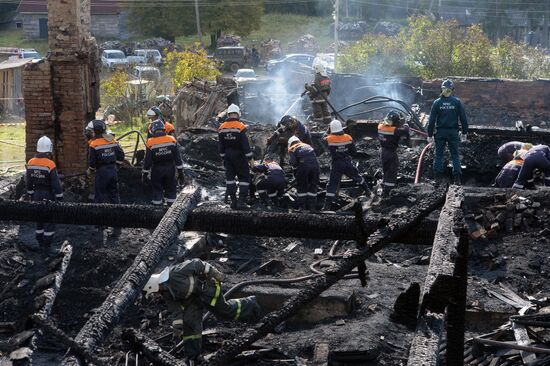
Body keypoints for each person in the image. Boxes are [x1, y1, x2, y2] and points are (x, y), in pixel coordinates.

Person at [143, 259, 261, 366]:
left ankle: (251, 303)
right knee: (189, 322)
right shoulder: (166, 293)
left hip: (207, 287)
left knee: (225, 312)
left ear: (155, 285)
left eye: (155, 291)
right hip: (193, 298)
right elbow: (176, 310)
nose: (156, 294)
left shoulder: (174, 273)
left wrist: (215, 273)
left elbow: (197, 264)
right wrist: (178, 328)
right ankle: (192, 357)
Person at [427, 79, 469, 185]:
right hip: (453, 132)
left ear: (442, 89)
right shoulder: (457, 102)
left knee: (439, 155)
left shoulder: (437, 102)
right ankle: (457, 179)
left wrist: (430, 135)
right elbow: (463, 119)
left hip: (440, 132)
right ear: (452, 90)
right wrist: (464, 132)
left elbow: (431, 121)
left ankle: (437, 179)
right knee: (455, 154)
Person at [322, 120, 371, 210]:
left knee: (332, 184)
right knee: (357, 177)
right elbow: (354, 152)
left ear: (331, 129)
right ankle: (368, 192)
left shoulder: (329, 139)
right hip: (347, 162)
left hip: (336, 163)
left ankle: (326, 206)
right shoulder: (348, 137)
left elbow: (322, 138)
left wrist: (328, 131)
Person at [25, 136, 63, 249]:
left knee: (39, 217)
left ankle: (39, 240)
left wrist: (30, 194)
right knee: (50, 218)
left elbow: (28, 181)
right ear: (49, 149)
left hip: (36, 194)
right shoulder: (50, 164)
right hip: (48, 195)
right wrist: (60, 196)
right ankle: (47, 244)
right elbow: (56, 184)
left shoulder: (30, 162)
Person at [218, 104, 253, 210]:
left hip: (228, 156)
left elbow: (221, 146)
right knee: (243, 177)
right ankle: (241, 201)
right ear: (238, 114)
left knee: (230, 178)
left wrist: (223, 157)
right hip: (240, 155)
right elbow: (245, 145)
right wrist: (250, 158)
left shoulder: (221, 127)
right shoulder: (241, 127)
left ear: (228, 114)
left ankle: (233, 201)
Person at [142, 120, 185, 206]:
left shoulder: (150, 142)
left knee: (157, 190)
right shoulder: (172, 140)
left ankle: (157, 211)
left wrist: (145, 174)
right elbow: (177, 158)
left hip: (156, 170)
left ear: (153, 130)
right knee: (171, 190)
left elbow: (148, 161)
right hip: (170, 169)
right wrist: (181, 172)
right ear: (164, 129)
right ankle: (172, 211)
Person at [88, 120, 125, 204]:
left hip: (101, 172)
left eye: (91, 131)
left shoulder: (94, 144)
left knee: (100, 195)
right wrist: (117, 165)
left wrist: (90, 169)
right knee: (114, 194)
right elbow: (121, 155)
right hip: (113, 170)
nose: (91, 133)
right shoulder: (112, 140)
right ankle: (117, 212)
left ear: (95, 131)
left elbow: (92, 162)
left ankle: (100, 214)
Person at [377, 111, 410, 196]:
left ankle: (384, 185)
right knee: (391, 172)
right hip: (391, 153)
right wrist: (406, 123)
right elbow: (405, 131)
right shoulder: (394, 130)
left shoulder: (380, 126)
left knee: (386, 170)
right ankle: (388, 192)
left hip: (383, 152)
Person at [288, 136, 320, 210]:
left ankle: (302, 207)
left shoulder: (292, 148)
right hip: (316, 166)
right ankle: (312, 207)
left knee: (302, 186)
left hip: (304, 166)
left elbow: (293, 162)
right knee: (313, 185)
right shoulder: (307, 145)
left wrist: (296, 171)